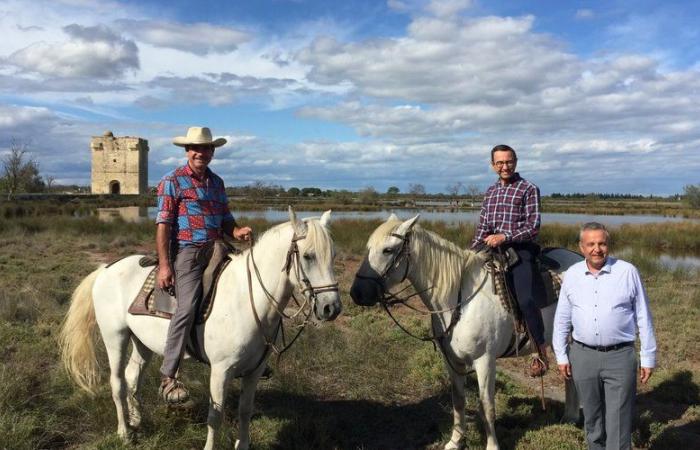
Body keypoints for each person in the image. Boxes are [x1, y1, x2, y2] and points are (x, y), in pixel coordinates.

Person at [155, 126, 252, 404]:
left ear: (213, 152)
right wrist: (165, 265)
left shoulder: (217, 183)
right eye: (196, 148)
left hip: (218, 248)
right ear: (187, 151)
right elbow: (163, 226)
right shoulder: (172, 181)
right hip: (188, 251)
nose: (201, 152)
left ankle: (247, 359)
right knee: (186, 306)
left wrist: (236, 231)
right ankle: (169, 375)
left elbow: (225, 219)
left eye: (206, 148)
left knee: (247, 290)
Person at [553, 222, 656, 450]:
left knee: (619, 423)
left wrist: (648, 356)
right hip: (583, 356)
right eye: (590, 244)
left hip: (620, 356)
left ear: (608, 245)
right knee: (592, 419)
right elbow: (562, 318)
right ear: (581, 247)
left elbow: (643, 316)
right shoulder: (571, 275)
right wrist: (561, 354)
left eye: (601, 243)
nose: (596, 249)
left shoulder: (627, 272)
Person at [471, 144, 547, 376]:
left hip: (520, 250)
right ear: (492, 165)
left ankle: (539, 352)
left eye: (509, 161)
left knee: (525, 299)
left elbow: (533, 227)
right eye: (500, 163)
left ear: (516, 161)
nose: (505, 166)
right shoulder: (490, 192)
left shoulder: (528, 189)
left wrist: (505, 236)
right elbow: (483, 227)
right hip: (491, 249)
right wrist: (472, 251)